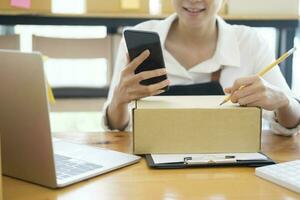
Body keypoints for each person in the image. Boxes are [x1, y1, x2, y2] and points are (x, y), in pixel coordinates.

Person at [102, 0, 300, 135]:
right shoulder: (138, 38)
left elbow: (290, 125)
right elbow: (116, 130)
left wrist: (283, 102)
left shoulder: (250, 42)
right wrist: (118, 102)